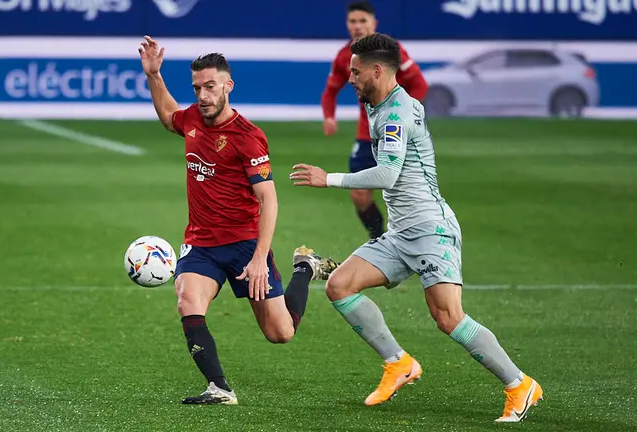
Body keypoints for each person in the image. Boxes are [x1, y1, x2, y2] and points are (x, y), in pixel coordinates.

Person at [290, 33, 543, 423]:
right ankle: (399, 362)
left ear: (378, 70)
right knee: (340, 285)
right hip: (401, 232)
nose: (350, 78)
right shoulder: (380, 103)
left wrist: (331, 180)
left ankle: (519, 384)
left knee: (448, 318)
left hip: (430, 230)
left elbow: (389, 175)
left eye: (355, 72)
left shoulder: (395, 114)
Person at [138, 35, 339, 405]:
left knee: (280, 333)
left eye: (210, 87)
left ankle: (305, 269)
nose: (203, 95)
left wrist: (261, 257)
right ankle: (219, 387)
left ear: (228, 86)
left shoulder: (248, 137)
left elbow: (269, 199)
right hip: (201, 245)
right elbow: (169, 117)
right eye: (197, 88)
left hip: (246, 247)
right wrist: (154, 75)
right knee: (187, 301)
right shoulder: (194, 120)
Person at [321, 1, 429, 240]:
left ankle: (416, 236)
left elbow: (419, 84)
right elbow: (330, 91)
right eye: (353, 21)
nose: (357, 26)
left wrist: (406, 114)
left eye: (363, 21)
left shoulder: (392, 52)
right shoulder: (343, 57)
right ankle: (379, 239)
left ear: (374, 23)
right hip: (366, 133)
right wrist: (329, 116)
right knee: (360, 195)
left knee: (405, 189)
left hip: (395, 130)